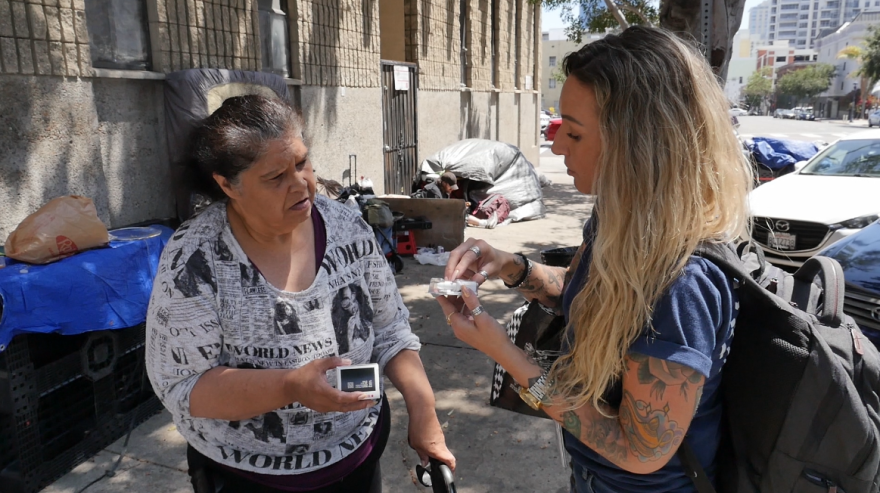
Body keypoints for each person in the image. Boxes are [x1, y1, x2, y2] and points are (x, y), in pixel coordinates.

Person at [435, 27, 752, 492]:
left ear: (639, 146)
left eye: (575, 133)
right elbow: (585, 294)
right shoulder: (618, 220)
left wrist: (505, 352)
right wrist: (509, 265)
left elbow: (639, 451)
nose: (558, 146)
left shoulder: (683, 282)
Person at [145, 94, 454, 493]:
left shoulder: (346, 226)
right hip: (247, 478)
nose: (302, 185)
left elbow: (390, 329)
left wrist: (423, 409)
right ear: (228, 185)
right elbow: (181, 385)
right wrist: (290, 386)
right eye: (276, 177)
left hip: (357, 456)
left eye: (302, 162)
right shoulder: (195, 260)